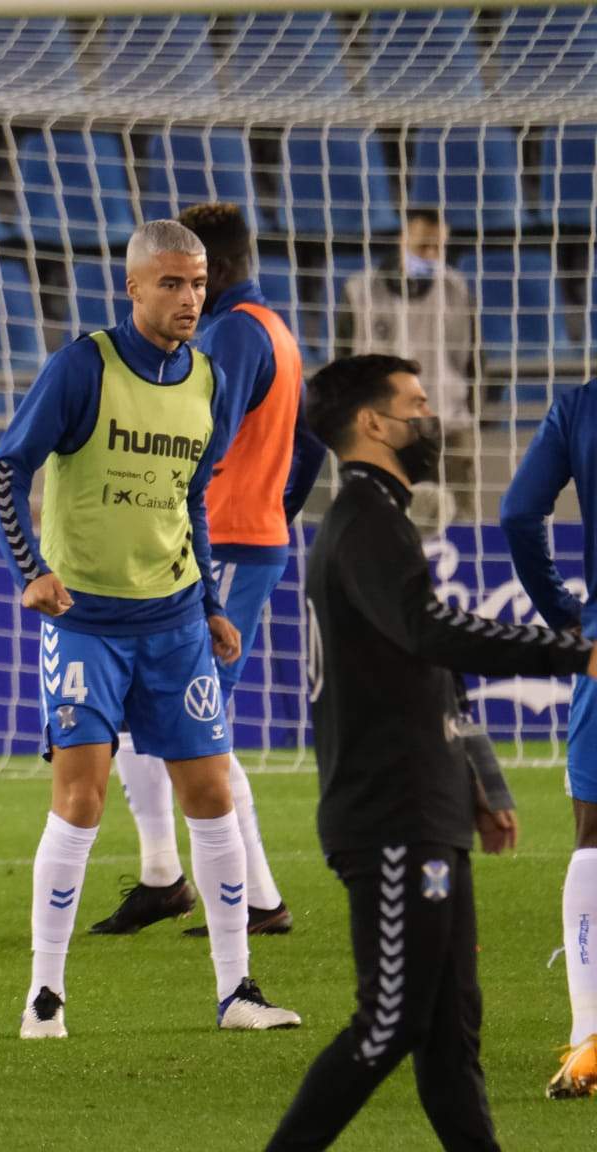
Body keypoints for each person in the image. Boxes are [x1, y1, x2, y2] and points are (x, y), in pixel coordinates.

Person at [267, 355, 596, 1150]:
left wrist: (479, 778)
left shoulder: (380, 518)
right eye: (415, 404)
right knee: (390, 1024)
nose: (430, 418)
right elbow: (431, 632)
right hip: (390, 814)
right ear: (373, 424)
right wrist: (572, 650)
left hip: (426, 807)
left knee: (450, 1035)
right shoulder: (364, 521)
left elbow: (428, 670)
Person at [0, 219, 302, 1039]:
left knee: (213, 793)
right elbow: (8, 467)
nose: (189, 298)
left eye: (197, 283)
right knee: (81, 798)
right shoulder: (83, 366)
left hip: (174, 620)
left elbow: (190, 496)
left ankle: (237, 991)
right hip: (84, 621)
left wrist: (211, 605)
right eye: (170, 283)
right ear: (132, 288)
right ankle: (45, 996)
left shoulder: (210, 379)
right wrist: (31, 571)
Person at [94, 202, 325, 939]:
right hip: (242, 538)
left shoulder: (230, 334)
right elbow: (311, 445)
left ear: (214, 269)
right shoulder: (274, 329)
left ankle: (247, 897)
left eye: (190, 276)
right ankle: (169, 877)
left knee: (193, 718)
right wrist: (273, 513)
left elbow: (198, 442)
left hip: (218, 542)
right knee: (154, 710)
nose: (184, 292)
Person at [497, 380, 597, 1099]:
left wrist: (565, 614)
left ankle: (590, 1037)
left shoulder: (580, 406)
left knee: (594, 835)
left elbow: (517, 513)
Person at [339, 207, 480, 518]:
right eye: (422, 246)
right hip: (380, 431)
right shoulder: (360, 292)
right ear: (403, 240)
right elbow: (343, 362)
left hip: (447, 425)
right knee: (377, 521)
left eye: (438, 247)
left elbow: (475, 359)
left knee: (461, 523)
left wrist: (472, 408)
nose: (430, 255)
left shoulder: (457, 290)